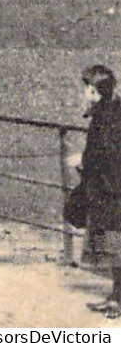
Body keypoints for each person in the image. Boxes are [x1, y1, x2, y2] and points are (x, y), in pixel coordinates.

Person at [78, 64, 121, 318]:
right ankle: (115, 297)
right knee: (114, 246)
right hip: (110, 189)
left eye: (86, 87)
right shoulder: (110, 111)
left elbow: (107, 153)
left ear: (93, 91)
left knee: (116, 245)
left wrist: (82, 162)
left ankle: (117, 300)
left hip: (111, 191)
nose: (83, 92)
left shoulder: (106, 117)